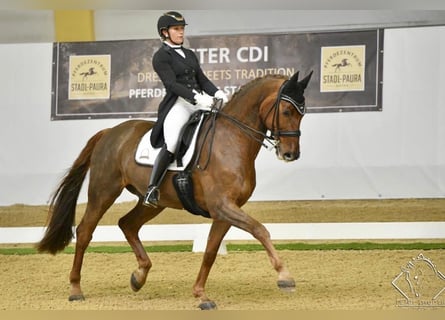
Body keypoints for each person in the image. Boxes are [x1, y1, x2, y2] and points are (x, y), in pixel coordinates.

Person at [143, 11, 228, 207]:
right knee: (172, 142)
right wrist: (195, 97)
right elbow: (172, 84)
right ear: (165, 32)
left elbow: (202, 79)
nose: (181, 33)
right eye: (176, 29)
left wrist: (217, 93)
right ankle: (152, 189)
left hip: (200, 101)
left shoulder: (189, 54)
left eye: (182, 29)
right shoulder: (161, 57)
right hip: (179, 104)